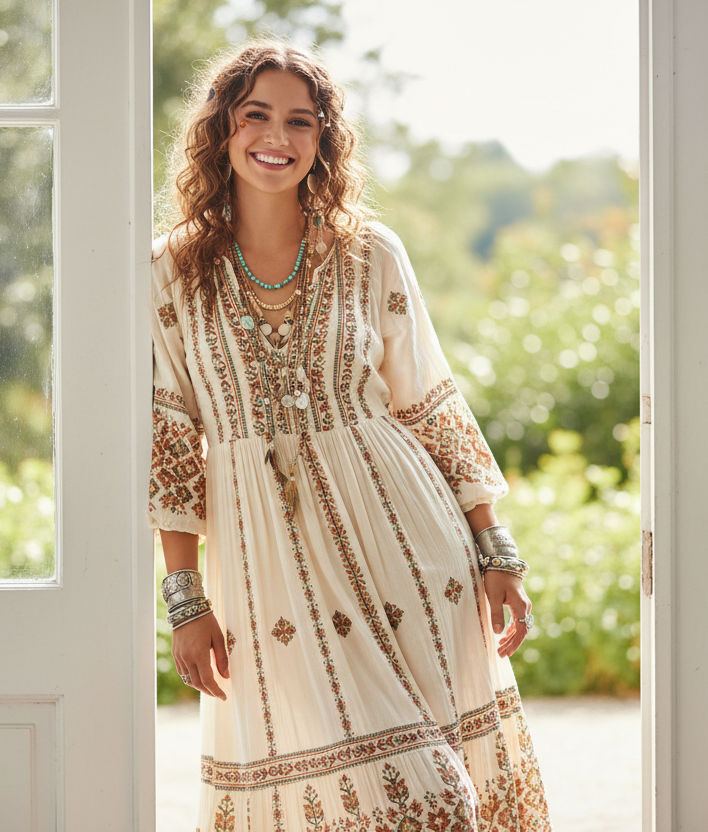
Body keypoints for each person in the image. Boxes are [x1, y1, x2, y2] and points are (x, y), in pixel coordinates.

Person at [150, 39, 551, 831]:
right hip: (267, 571)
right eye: (256, 114)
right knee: (394, 797)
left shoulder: (371, 253)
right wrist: (185, 598)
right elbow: (171, 441)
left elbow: (429, 402)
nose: (278, 136)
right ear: (222, 128)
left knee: (447, 796)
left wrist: (495, 546)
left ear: (323, 139)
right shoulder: (170, 271)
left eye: (301, 121)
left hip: (408, 546)